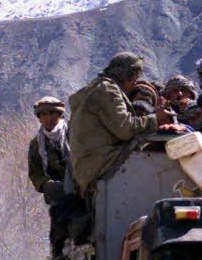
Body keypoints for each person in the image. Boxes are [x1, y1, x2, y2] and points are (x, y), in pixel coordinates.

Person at [68, 54, 180, 193]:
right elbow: (125, 129)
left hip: (88, 166)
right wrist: (155, 118)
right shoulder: (108, 89)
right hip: (101, 163)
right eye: (135, 77)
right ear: (128, 75)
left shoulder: (93, 89)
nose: (135, 83)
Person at [27, 95, 89, 260]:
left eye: (53, 113)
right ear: (39, 118)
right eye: (44, 114)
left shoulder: (75, 135)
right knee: (58, 214)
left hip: (82, 187)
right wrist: (46, 185)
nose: (49, 118)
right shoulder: (36, 145)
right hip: (58, 193)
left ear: (60, 115)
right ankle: (58, 251)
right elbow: (35, 172)